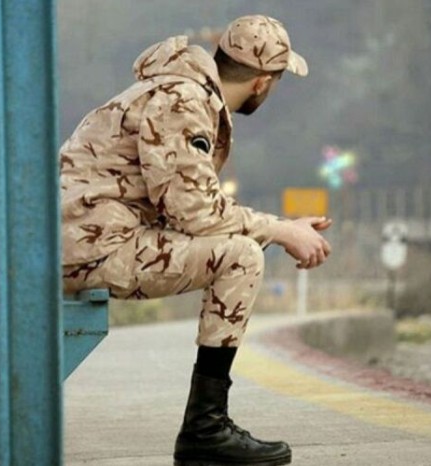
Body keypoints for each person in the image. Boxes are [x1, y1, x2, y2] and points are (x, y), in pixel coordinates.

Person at [59, 14, 331, 466]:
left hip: (82, 242)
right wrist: (282, 230)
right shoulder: (182, 101)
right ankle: (205, 429)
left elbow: (188, 212)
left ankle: (207, 426)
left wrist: (282, 227)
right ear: (262, 83)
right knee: (241, 257)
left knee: (239, 246)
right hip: (92, 248)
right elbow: (198, 213)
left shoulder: (179, 90)